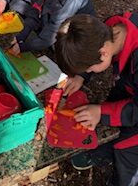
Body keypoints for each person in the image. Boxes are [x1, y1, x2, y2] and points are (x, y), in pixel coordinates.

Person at [54, 12, 138, 186]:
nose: (89, 70)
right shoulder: (106, 30)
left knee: (126, 149)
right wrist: (81, 76)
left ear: (104, 53)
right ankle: (103, 152)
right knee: (112, 115)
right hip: (131, 86)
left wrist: (102, 111)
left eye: (89, 67)